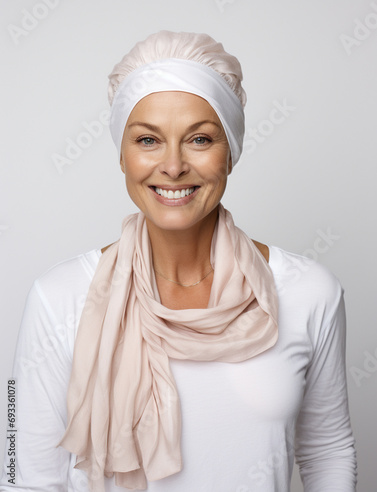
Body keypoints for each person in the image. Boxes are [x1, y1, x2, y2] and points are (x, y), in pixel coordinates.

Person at [0, 30, 357, 492]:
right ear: (123, 156)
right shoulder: (59, 297)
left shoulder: (309, 291)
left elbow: (327, 449)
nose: (172, 166)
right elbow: (20, 470)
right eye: (148, 140)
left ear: (230, 152)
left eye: (200, 140)